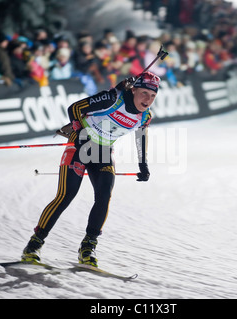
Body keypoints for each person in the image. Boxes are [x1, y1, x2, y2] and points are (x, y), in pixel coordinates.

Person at [21, 71, 161, 268]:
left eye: (153, 96)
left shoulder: (145, 115)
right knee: (66, 195)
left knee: (104, 196)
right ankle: (34, 245)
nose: (148, 100)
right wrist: (79, 130)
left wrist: (143, 165)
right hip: (80, 145)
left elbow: (141, 137)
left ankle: (88, 247)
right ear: (135, 89)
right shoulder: (113, 98)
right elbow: (75, 108)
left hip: (102, 151)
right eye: (144, 93)